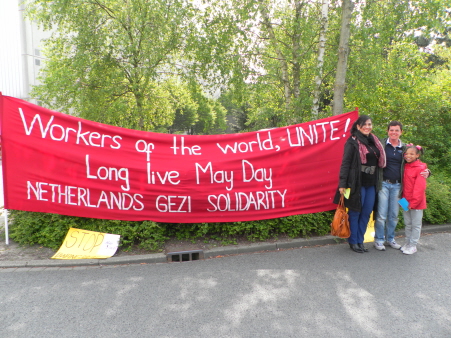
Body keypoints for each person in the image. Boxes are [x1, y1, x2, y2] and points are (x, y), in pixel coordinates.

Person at [374, 121, 430, 251]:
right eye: (391, 130)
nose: (394, 132)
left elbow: (416, 162)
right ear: (388, 131)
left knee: (394, 215)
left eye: (396, 130)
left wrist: (428, 171)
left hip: (398, 187)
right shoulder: (381, 145)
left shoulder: (405, 148)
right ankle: (379, 239)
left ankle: (391, 239)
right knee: (381, 214)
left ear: (401, 132)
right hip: (383, 184)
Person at [334, 115, 386, 253]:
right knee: (355, 211)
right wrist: (342, 184)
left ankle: (360, 240)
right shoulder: (352, 142)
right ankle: (353, 241)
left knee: (367, 212)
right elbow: (345, 164)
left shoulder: (375, 141)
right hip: (356, 182)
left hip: (371, 182)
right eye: (365, 124)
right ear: (358, 126)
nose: (368, 127)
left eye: (369, 124)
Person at [400, 145, 427, 255]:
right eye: (407, 153)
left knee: (416, 225)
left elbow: (419, 188)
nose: (409, 156)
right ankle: (407, 242)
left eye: (412, 154)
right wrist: (404, 201)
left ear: (417, 155)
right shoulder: (404, 166)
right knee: (408, 224)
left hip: (416, 202)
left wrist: (414, 203)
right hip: (404, 200)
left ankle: (413, 245)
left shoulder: (421, 168)